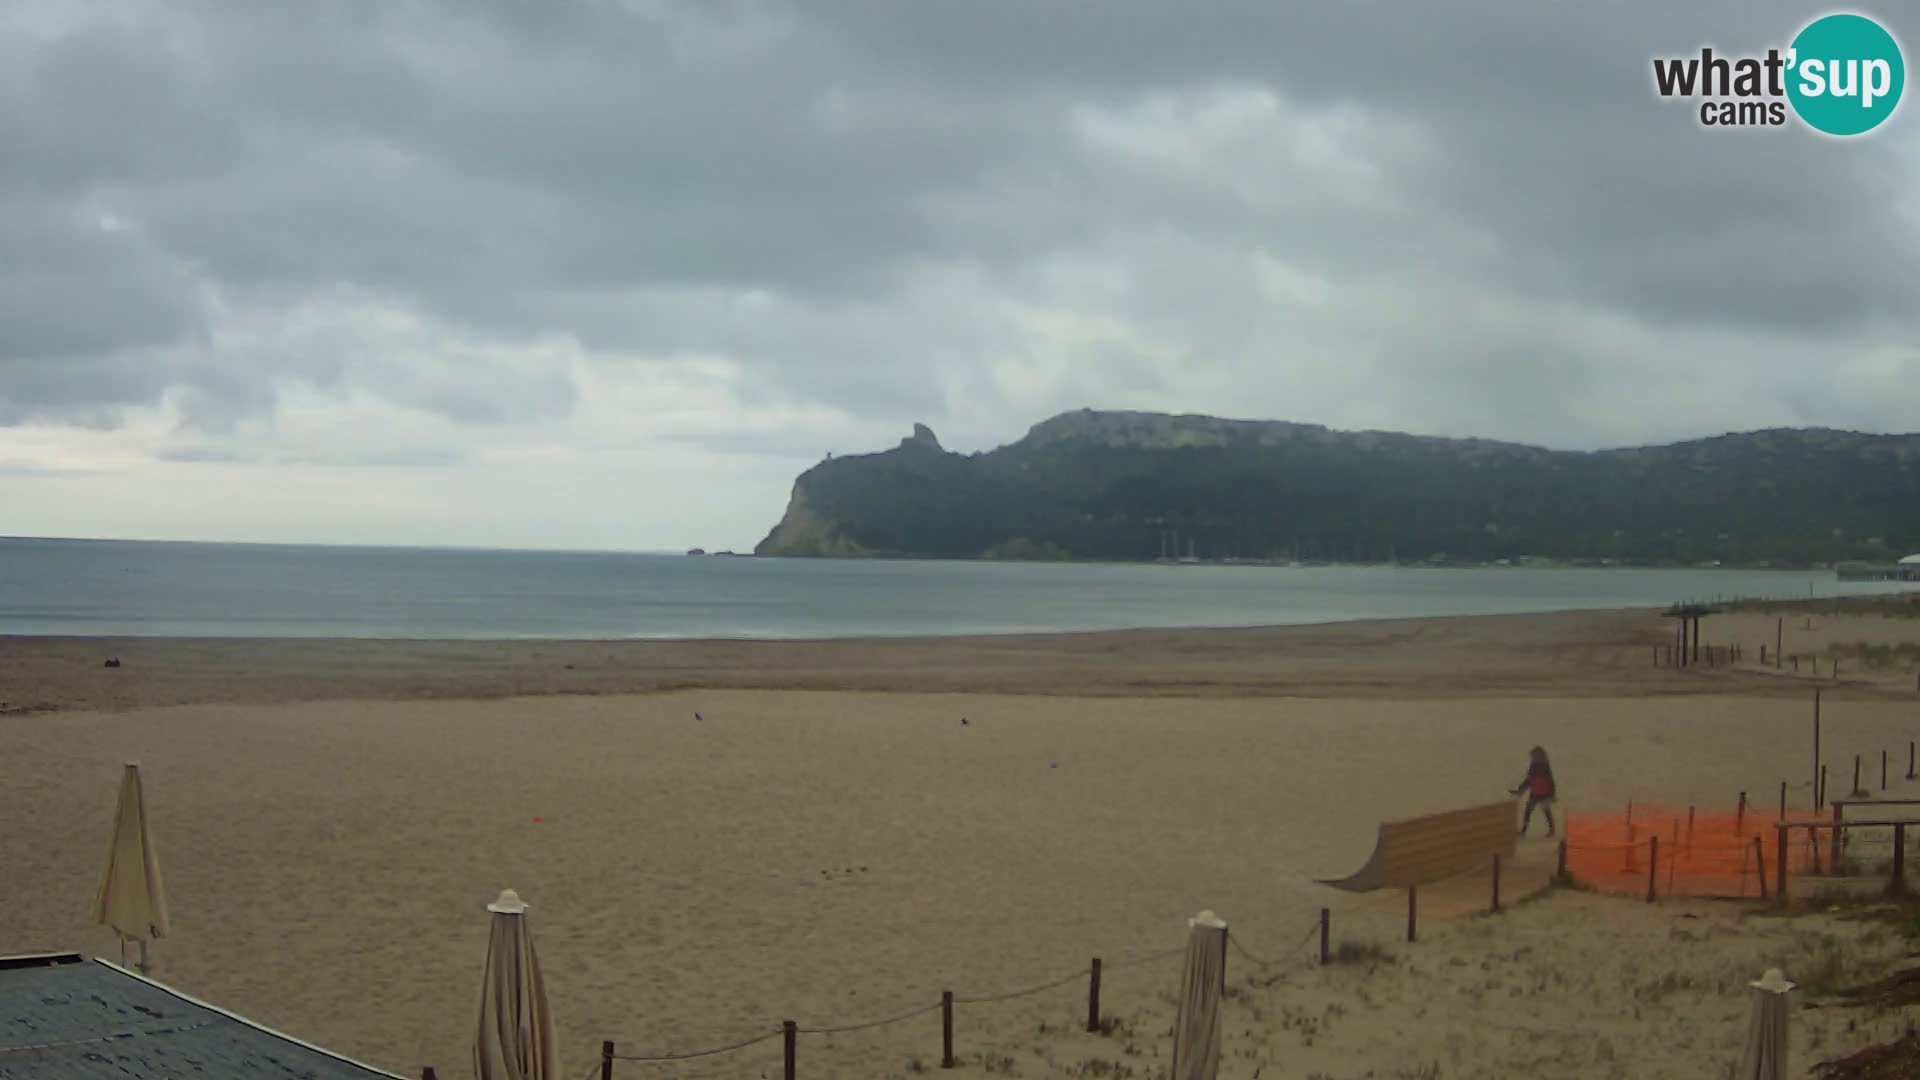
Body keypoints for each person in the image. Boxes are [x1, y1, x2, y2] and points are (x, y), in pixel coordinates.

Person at [1510, 746, 1556, 837]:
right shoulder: (1535, 765)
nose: (1532, 757)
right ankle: (1524, 831)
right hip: (1536, 793)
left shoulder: (1543, 766)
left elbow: (1549, 781)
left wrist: (1551, 794)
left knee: (1544, 812)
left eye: (1534, 755)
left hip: (1543, 793)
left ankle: (1550, 830)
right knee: (1531, 811)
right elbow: (1529, 780)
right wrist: (1520, 790)